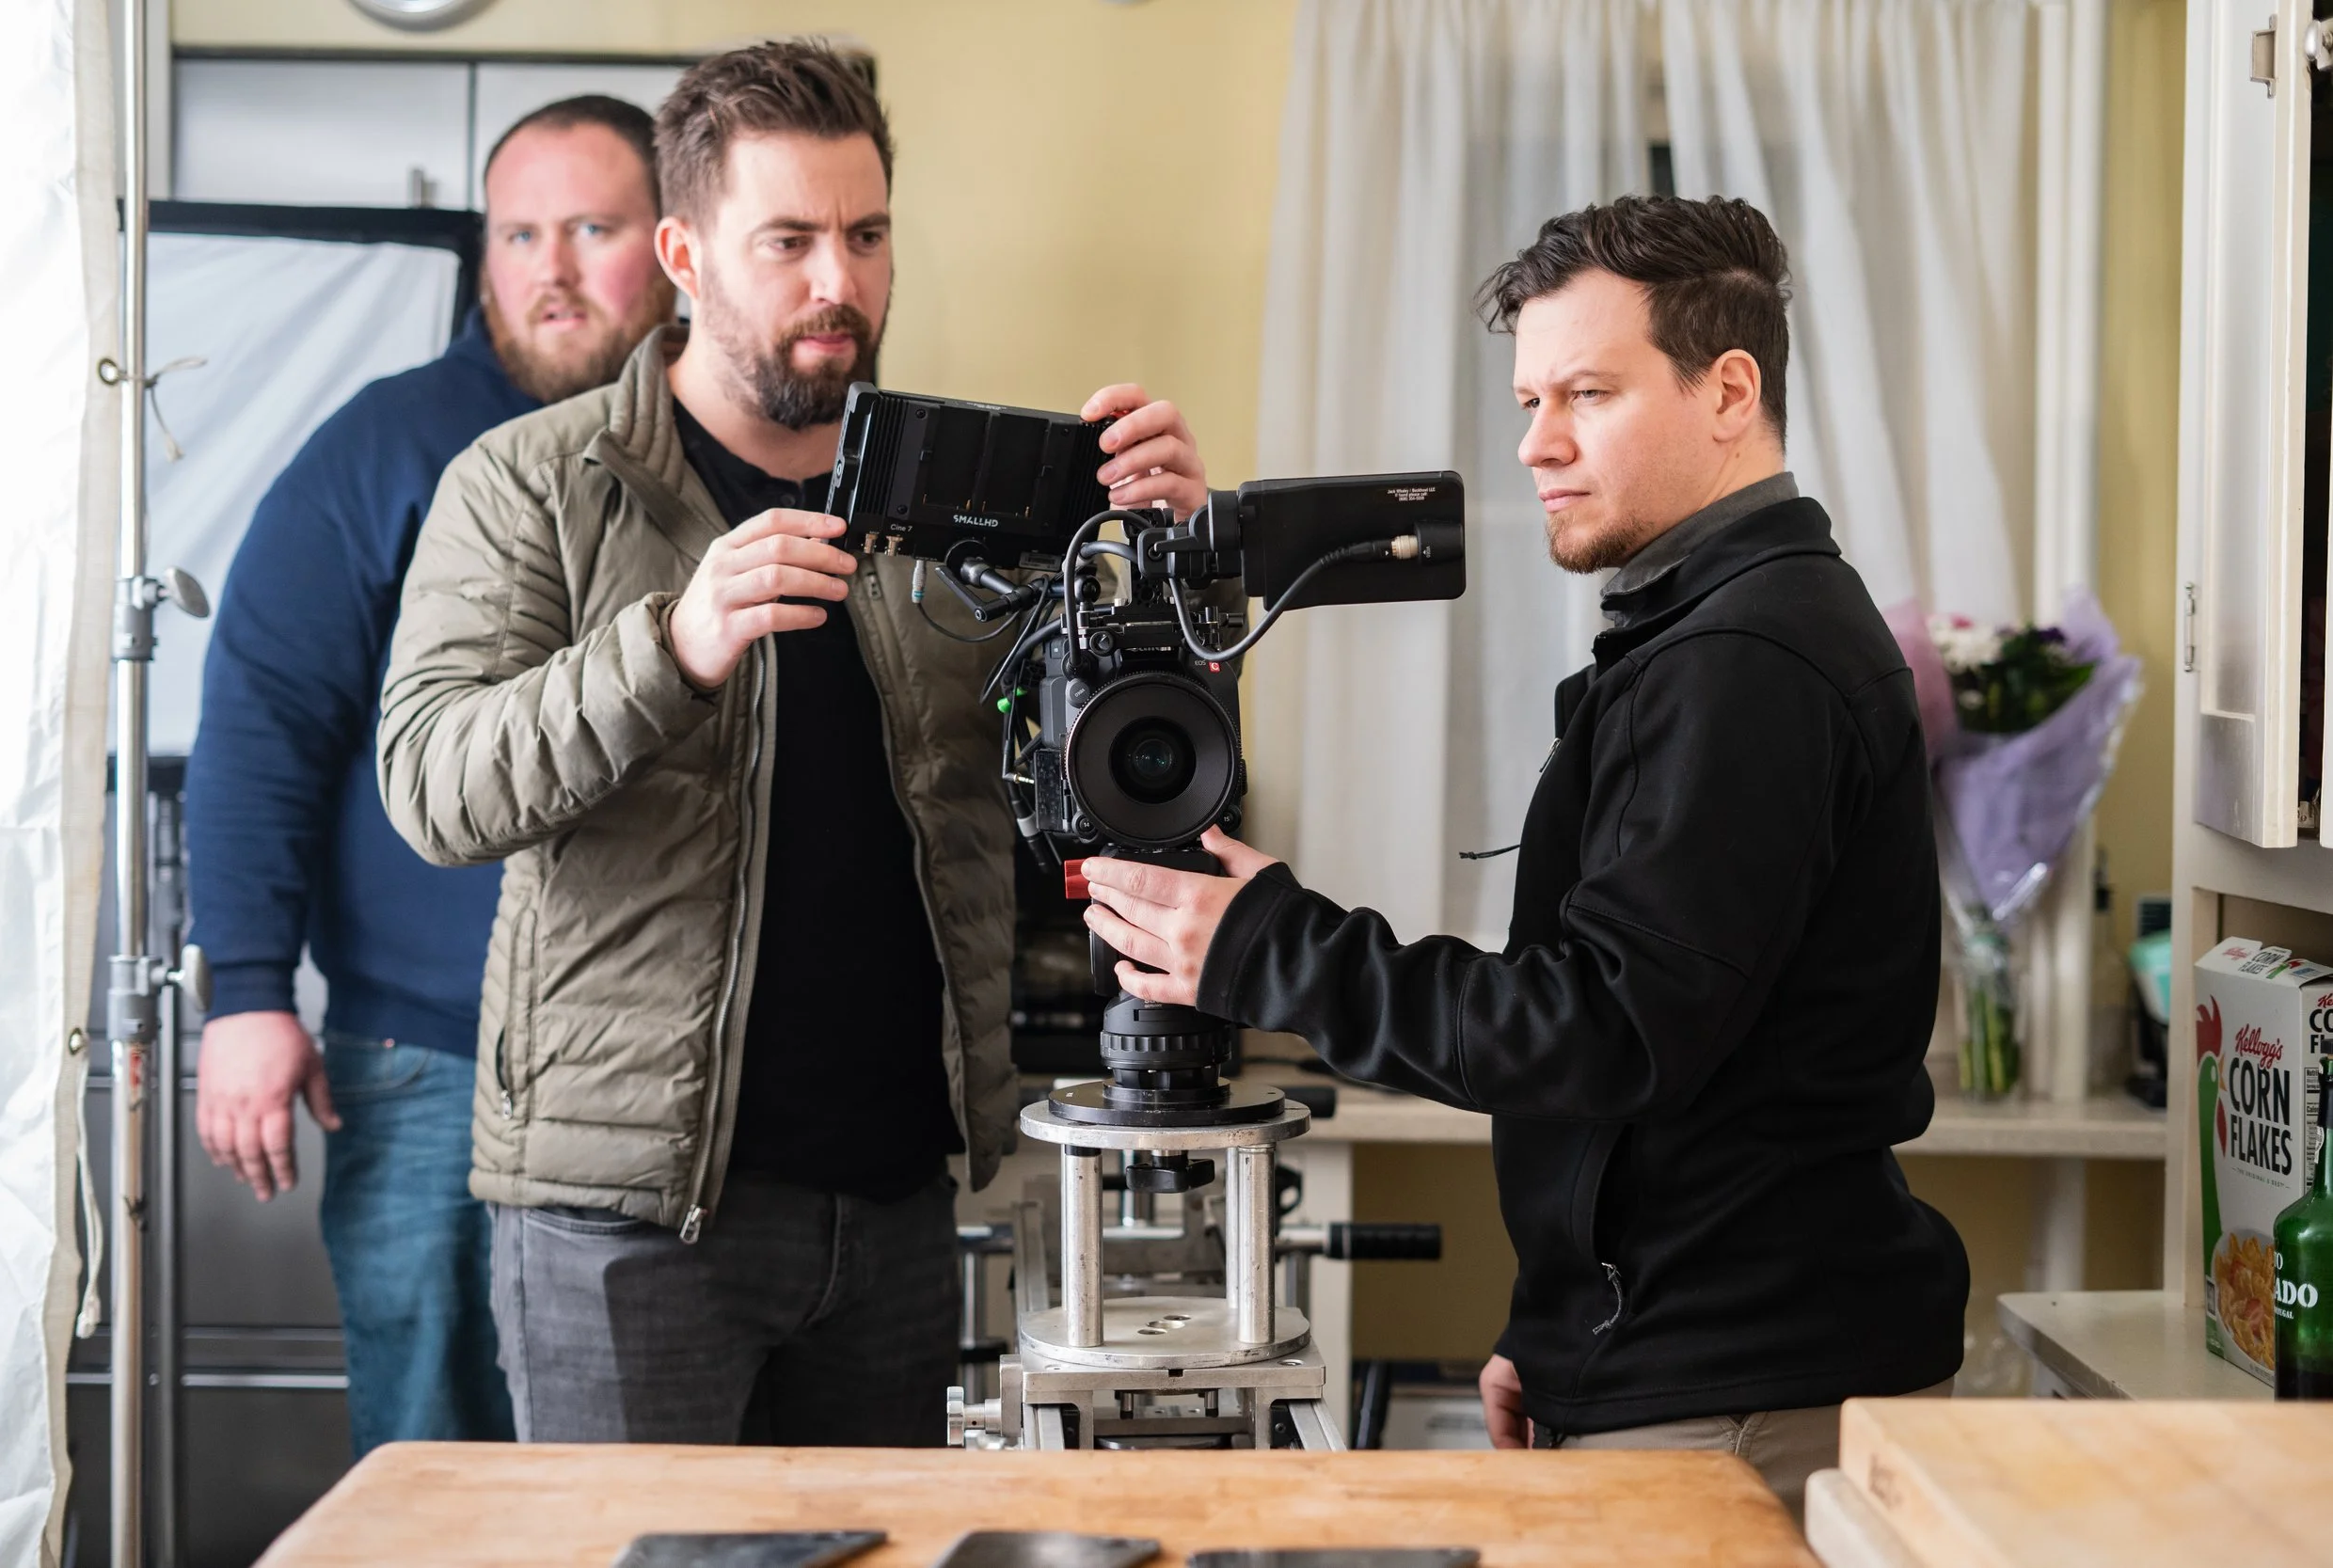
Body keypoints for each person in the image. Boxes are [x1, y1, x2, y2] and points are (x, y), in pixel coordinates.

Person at [1074, 196, 1969, 1516]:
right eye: (1529, 400)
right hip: (1688, 1360)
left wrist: (1269, 946)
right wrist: (1561, 1328)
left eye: (1588, 395)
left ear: (1730, 392)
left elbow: (1607, 1026)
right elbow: (1660, 1057)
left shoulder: (1746, 658)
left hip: (1733, 1395)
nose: (1536, 442)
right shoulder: (1714, 627)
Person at [375, 39, 1206, 1447]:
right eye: (790, 241)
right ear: (684, 255)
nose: (841, 281)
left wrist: (1174, 571)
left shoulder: (958, 507)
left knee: (872, 1549)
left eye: (866, 235)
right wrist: (672, 645)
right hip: (627, 1220)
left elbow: (1125, 787)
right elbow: (435, 785)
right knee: (639, 1556)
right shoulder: (532, 484)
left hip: (895, 1207)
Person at [184, 94, 678, 1455]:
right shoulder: (384, 446)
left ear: (675, 243)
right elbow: (264, 721)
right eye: (518, 235)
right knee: (431, 1456)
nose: (550, 269)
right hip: (429, 1058)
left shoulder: (733, 453)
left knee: (636, 1473)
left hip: (669, 1071)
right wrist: (247, 990)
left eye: (592, 229)